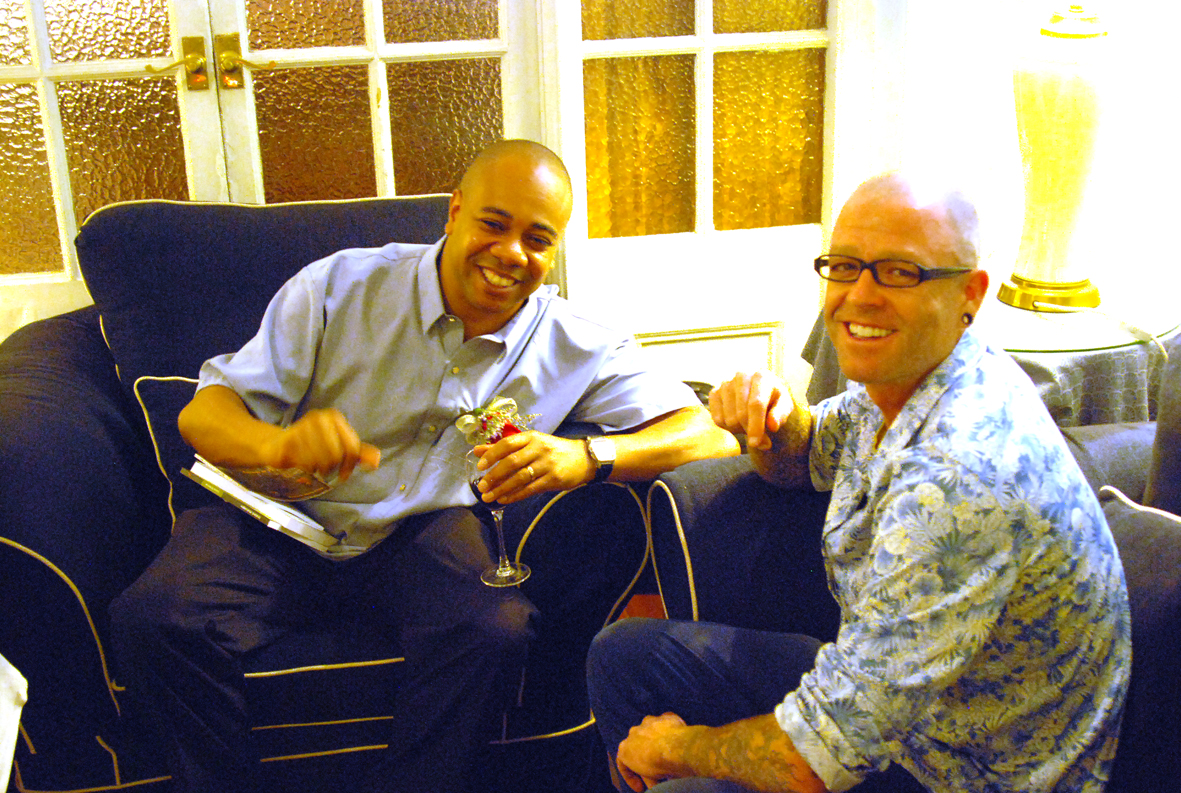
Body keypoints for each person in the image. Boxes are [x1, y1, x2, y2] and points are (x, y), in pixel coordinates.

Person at [108, 139, 740, 793]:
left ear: (555, 250)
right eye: (494, 224)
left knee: (494, 629)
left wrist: (588, 457)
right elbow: (204, 413)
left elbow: (709, 435)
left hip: (426, 526)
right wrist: (276, 445)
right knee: (153, 619)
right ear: (455, 210)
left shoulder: (576, 342)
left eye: (537, 239)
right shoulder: (339, 285)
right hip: (279, 512)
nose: (511, 254)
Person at [587, 172, 1131, 793]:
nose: (860, 296)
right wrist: (774, 416)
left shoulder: (959, 476)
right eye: (845, 267)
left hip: (968, 770)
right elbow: (809, 454)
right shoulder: (911, 377)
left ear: (970, 294)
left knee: (681, 783)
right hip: (902, 706)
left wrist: (674, 750)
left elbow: (813, 762)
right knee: (623, 655)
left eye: (900, 272)